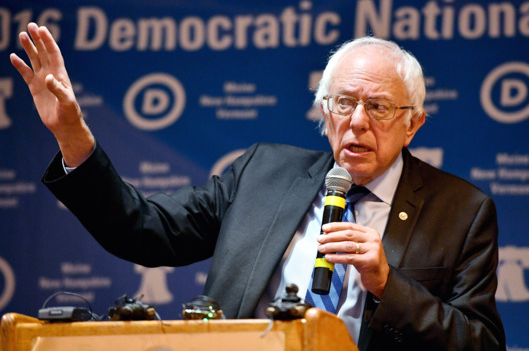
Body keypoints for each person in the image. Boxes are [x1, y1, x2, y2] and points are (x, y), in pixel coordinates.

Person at [11, 22, 505, 350]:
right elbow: (141, 229)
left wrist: (386, 284)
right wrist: (73, 140)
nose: (356, 123)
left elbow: (480, 343)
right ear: (323, 111)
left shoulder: (461, 210)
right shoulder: (261, 173)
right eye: (343, 103)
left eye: (377, 108)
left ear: (413, 124)